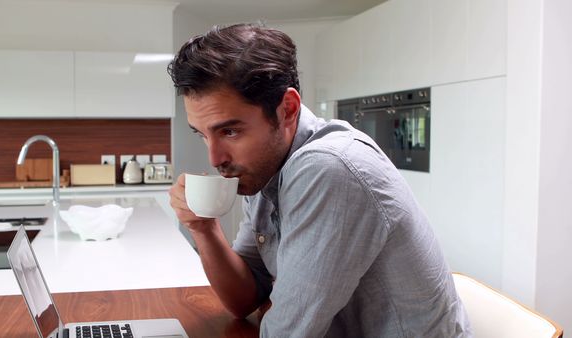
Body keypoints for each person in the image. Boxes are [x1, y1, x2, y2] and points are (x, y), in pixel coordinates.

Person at [167, 23, 471, 337]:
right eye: (203, 135)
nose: (215, 159)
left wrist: (275, 306)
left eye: (230, 131)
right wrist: (203, 228)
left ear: (287, 109)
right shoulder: (263, 168)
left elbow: (286, 332)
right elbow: (245, 299)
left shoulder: (328, 168)